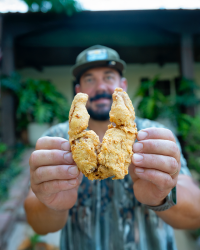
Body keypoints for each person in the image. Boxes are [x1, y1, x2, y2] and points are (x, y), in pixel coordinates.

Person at [24, 45, 200, 250]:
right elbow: (38, 225)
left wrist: (163, 195)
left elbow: (196, 215)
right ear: (78, 90)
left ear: (122, 85)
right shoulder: (56, 139)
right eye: (89, 79)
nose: (100, 87)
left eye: (108, 77)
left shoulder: (153, 135)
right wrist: (51, 204)